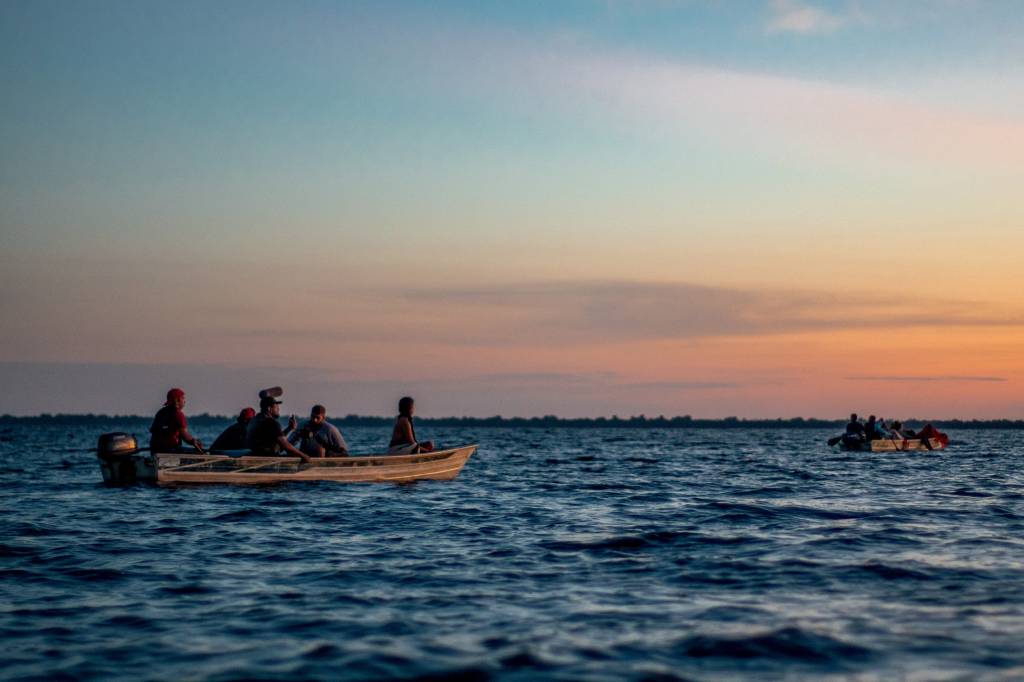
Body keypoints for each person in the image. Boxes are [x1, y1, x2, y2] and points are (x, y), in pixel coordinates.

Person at [246, 394, 311, 462]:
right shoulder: (271, 422)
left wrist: (289, 428)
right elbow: (285, 445)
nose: (278, 409)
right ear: (269, 408)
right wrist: (303, 455)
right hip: (267, 458)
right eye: (276, 407)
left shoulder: (255, 420)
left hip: (255, 454)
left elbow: (277, 437)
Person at [149, 388, 204, 453]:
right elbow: (185, 435)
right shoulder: (178, 414)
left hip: (154, 450)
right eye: (183, 398)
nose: (184, 401)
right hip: (171, 450)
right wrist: (194, 441)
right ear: (177, 400)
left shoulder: (160, 412)